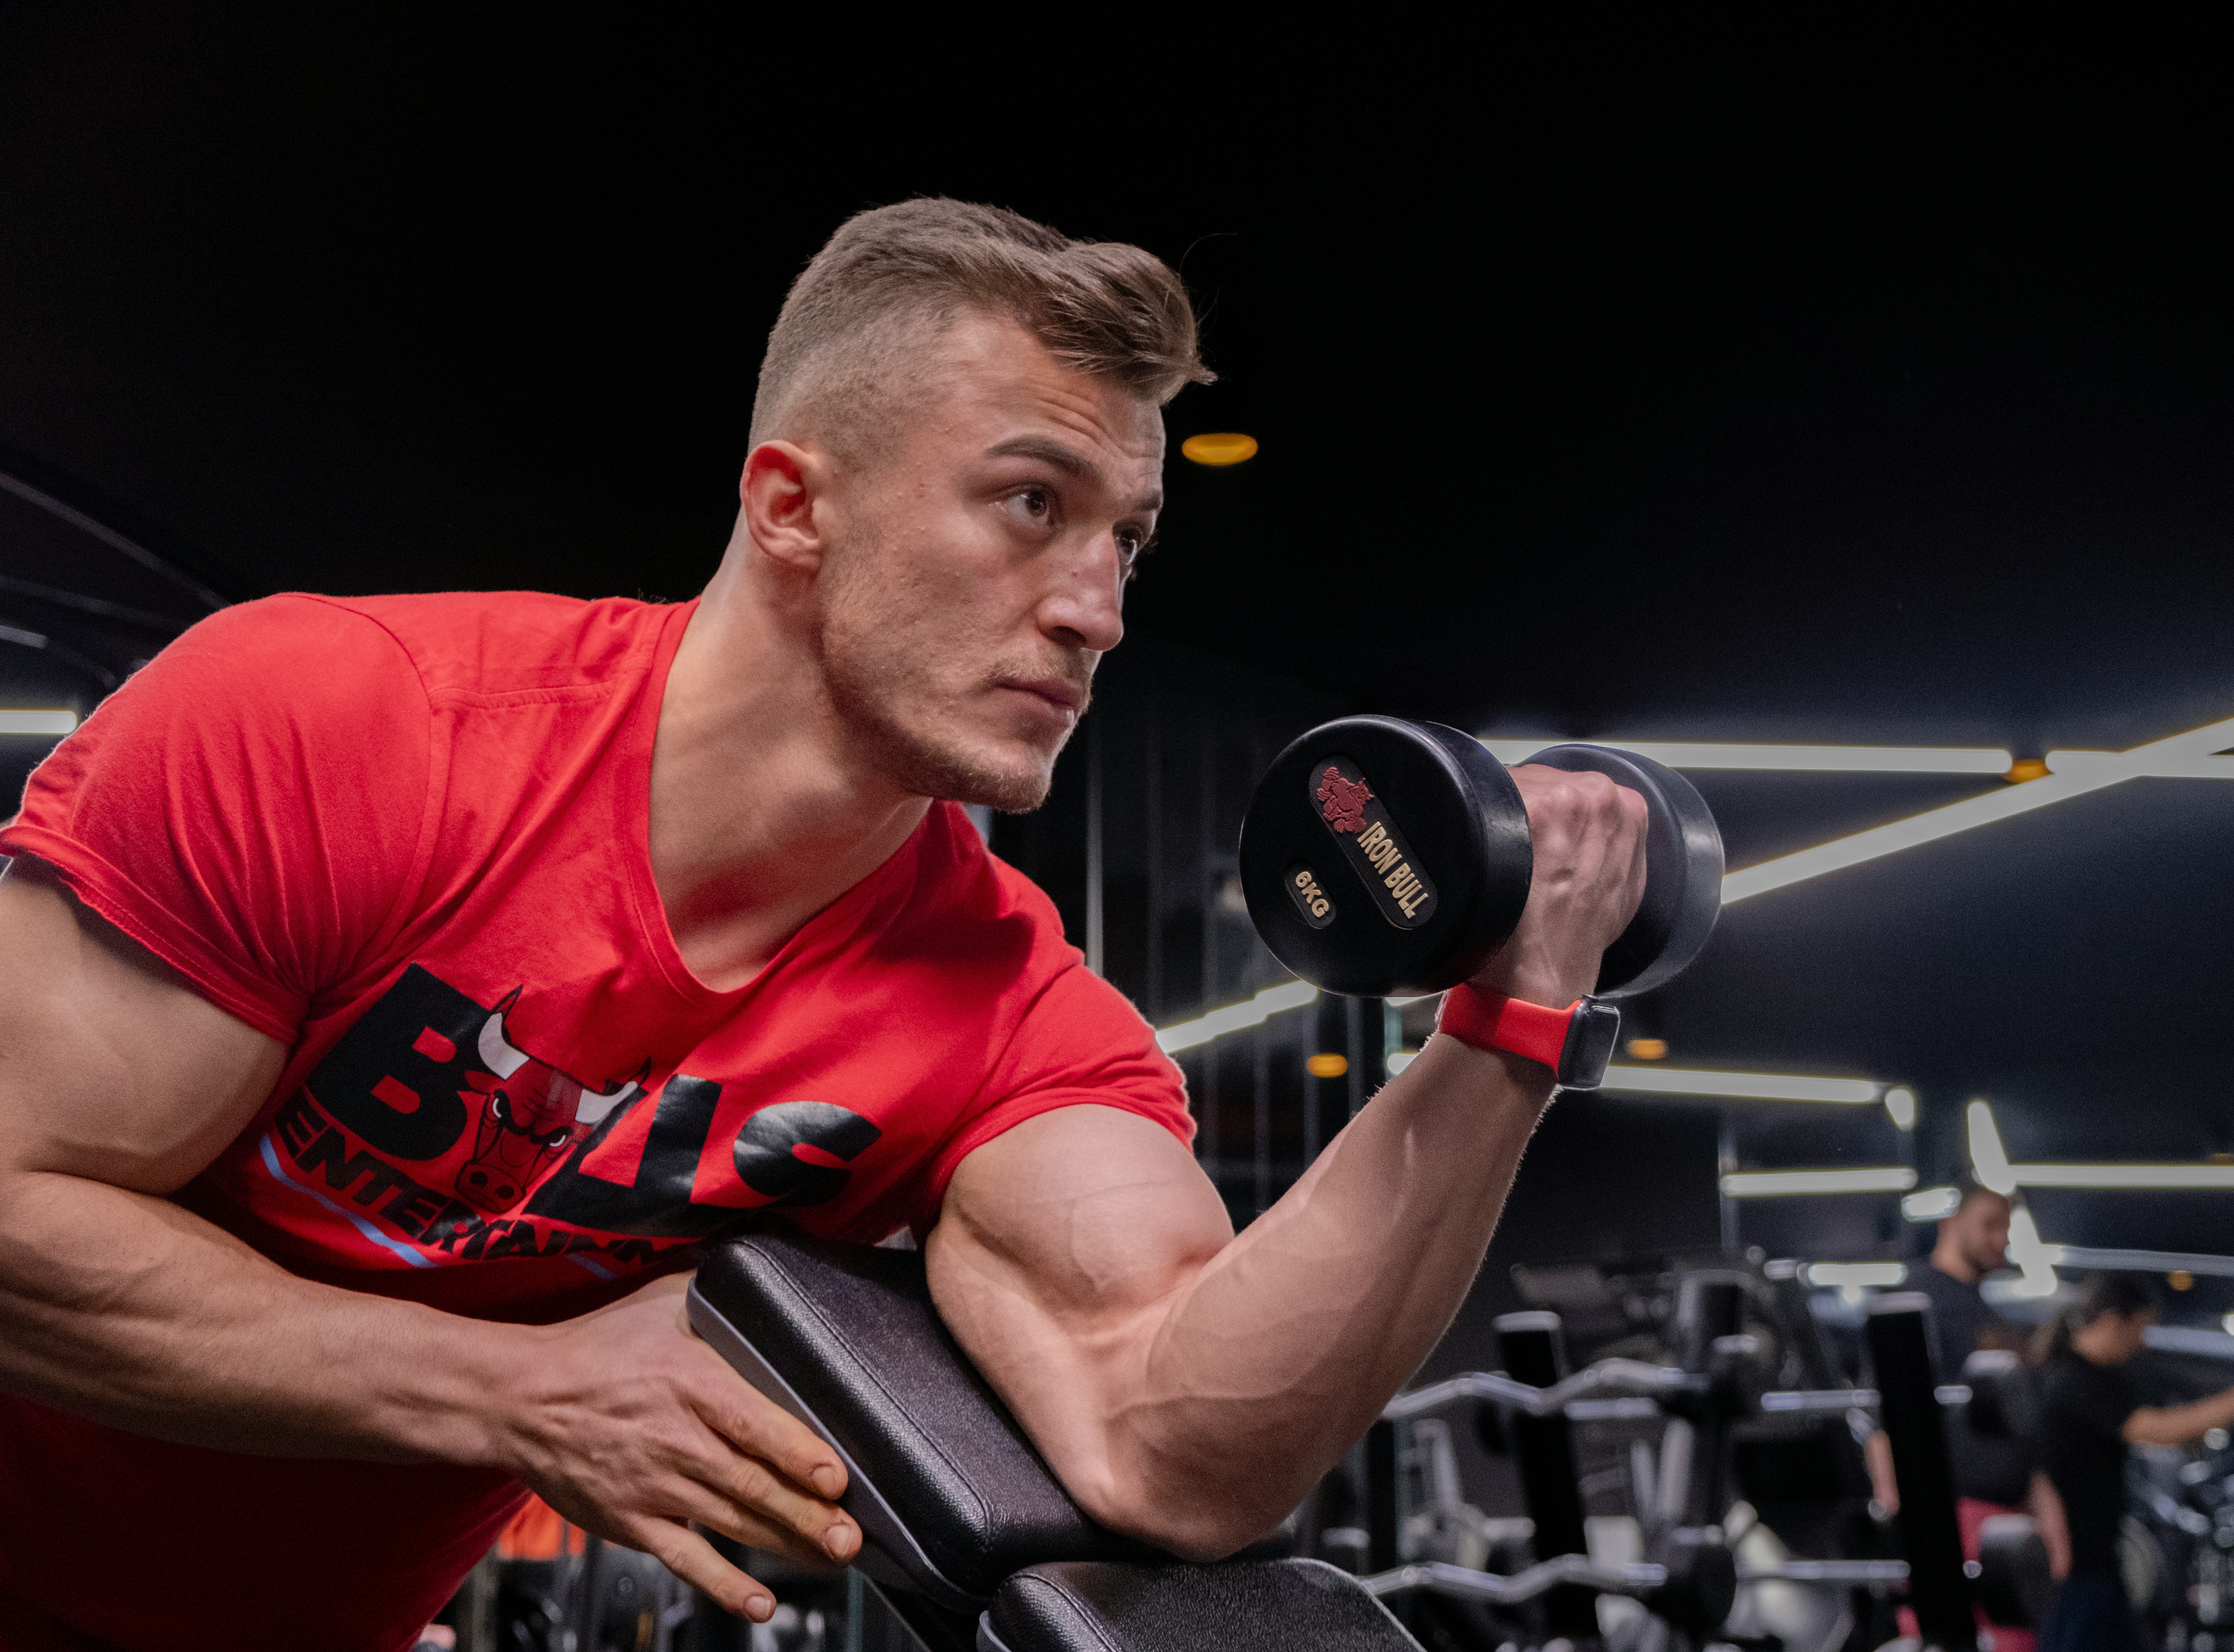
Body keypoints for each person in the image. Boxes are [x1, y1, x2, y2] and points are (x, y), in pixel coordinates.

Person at [0, 199, 1653, 1650]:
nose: (1099, 606)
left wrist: (1506, 1028)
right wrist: (520, 1387)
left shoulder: (1005, 1012)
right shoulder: (345, 724)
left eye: (1128, 538)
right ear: (796, 505)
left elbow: (1175, 1448)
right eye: (1030, 501)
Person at [2031, 1273, 2234, 1652]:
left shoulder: (2097, 1379)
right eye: (2139, 1330)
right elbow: (2156, 1428)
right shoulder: (2073, 1381)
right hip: (2078, 1564)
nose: (2142, 1343)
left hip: (2099, 1559)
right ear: (2112, 1322)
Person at [1869, 1180, 2037, 1652]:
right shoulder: (1917, 1298)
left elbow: (2020, 1429)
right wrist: (1899, 1519)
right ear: (1951, 1222)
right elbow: (1885, 1420)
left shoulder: (1990, 1315)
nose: (2000, 1237)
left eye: (2006, 1227)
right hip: (1952, 1515)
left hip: (2005, 1516)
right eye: (1989, 1224)